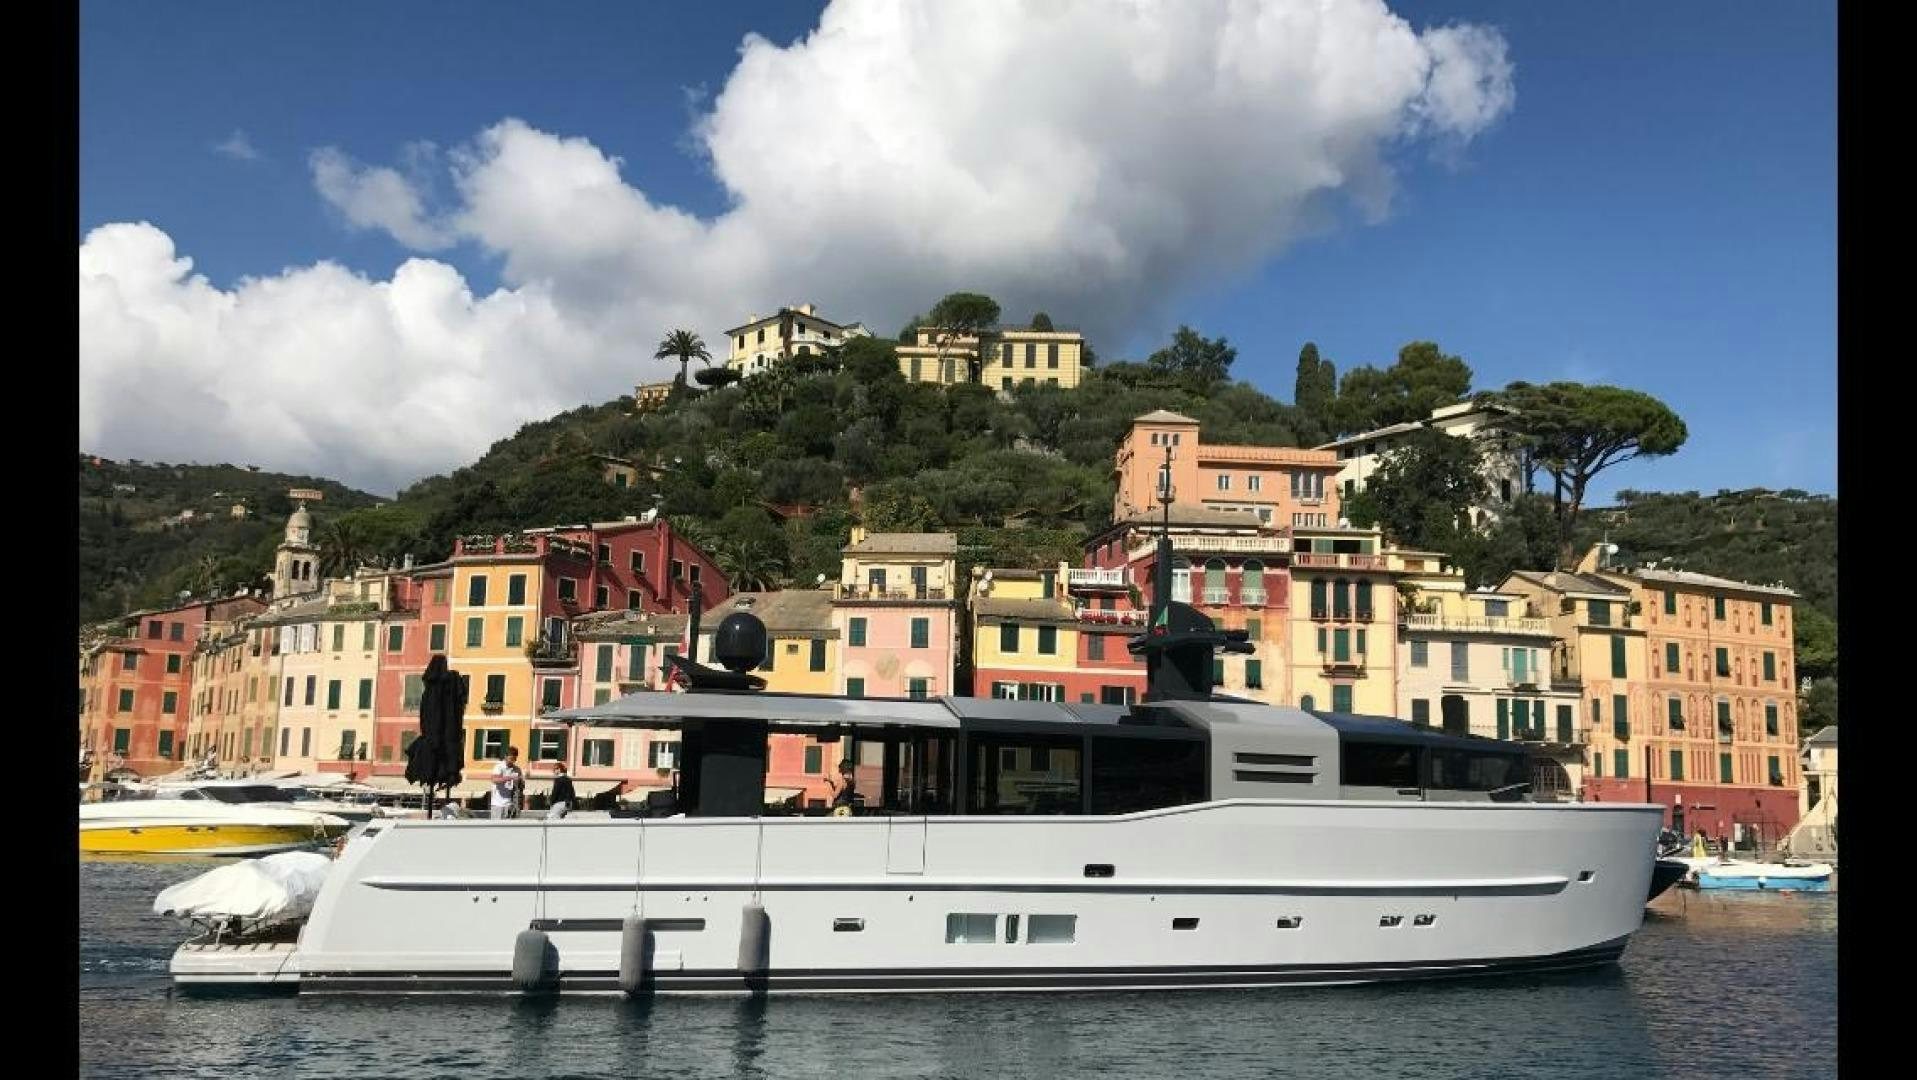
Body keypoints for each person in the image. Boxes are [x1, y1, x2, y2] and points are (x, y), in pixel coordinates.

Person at [491, 747, 524, 820]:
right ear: (505, 756)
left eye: (514, 759)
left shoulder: (517, 769)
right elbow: (494, 779)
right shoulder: (499, 767)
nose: (512, 761)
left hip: (510, 804)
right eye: (511, 759)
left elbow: (520, 787)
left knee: (509, 829)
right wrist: (510, 778)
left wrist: (521, 781)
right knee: (496, 828)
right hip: (498, 804)